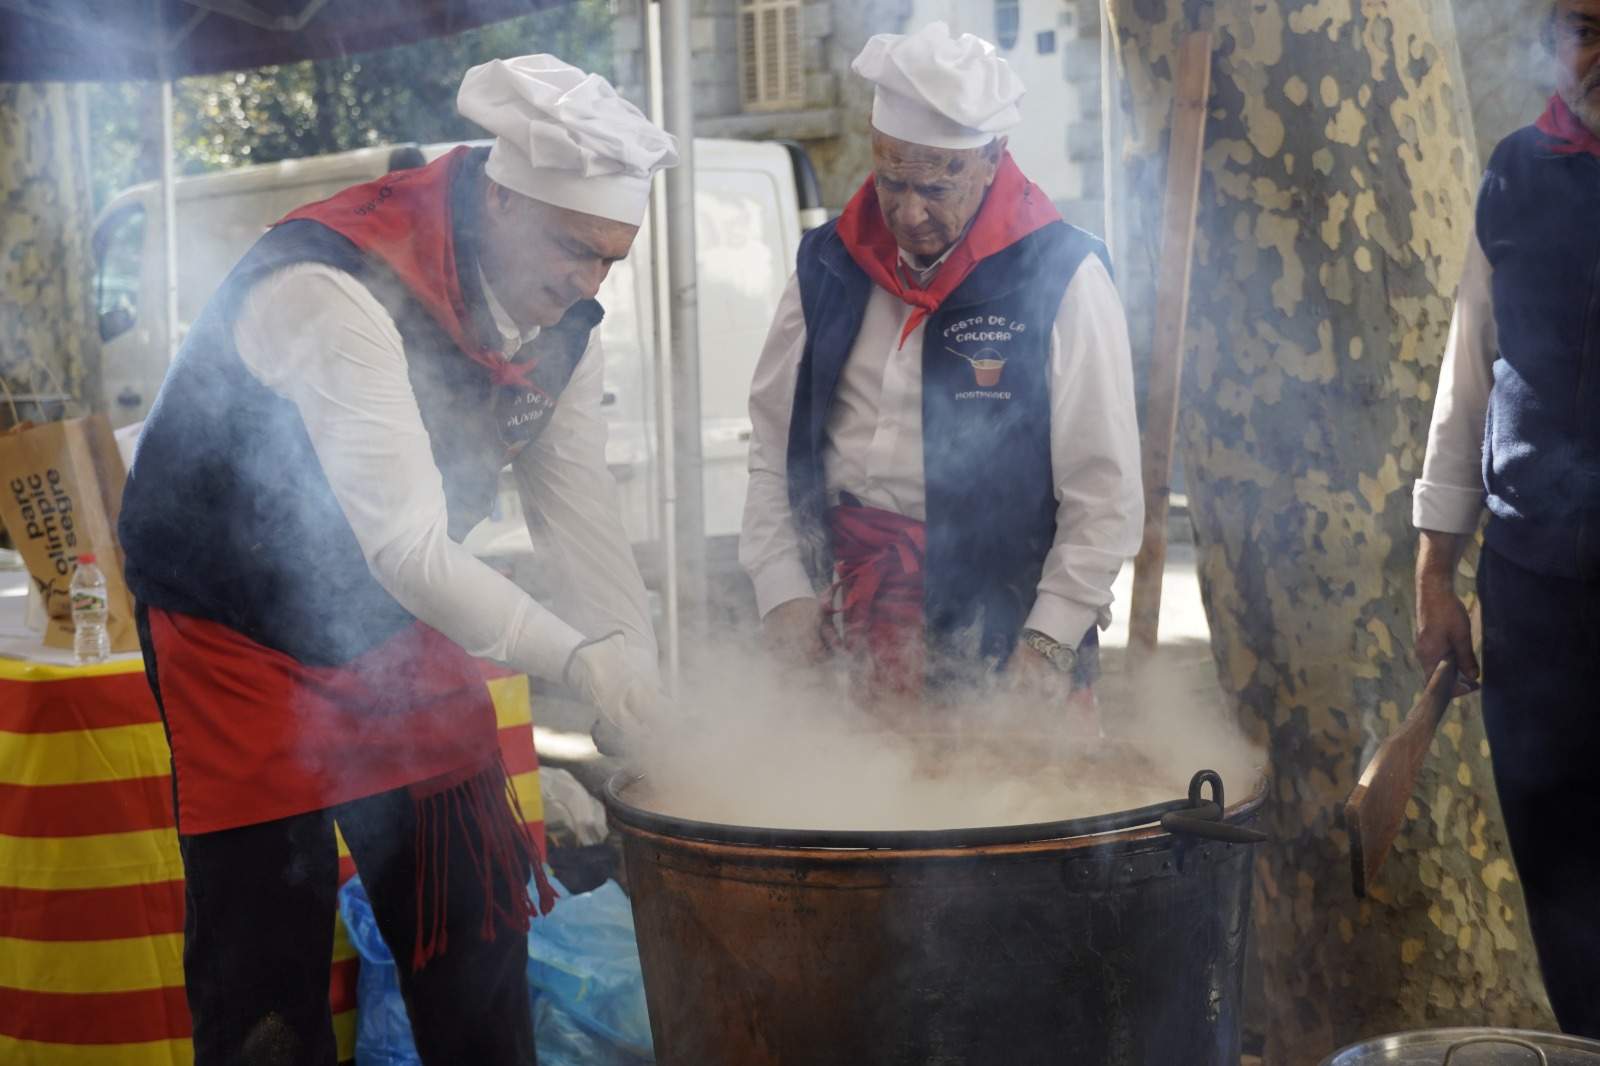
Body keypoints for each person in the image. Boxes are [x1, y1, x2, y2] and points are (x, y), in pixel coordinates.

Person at [117, 56, 673, 1065]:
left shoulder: (564, 323)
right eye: (570, 250)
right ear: (500, 198)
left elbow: (580, 516)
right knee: (265, 971)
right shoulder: (336, 284)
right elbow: (411, 549)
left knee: (472, 921)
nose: (585, 285)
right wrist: (578, 662)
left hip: (387, 622)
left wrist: (632, 670)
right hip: (233, 625)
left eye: (610, 261)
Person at [739, 22, 1143, 708]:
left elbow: (1104, 493)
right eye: (892, 181)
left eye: (937, 185)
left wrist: (1049, 642)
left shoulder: (1060, 275)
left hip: (1011, 627)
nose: (910, 212)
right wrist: (781, 591)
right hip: (848, 616)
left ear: (993, 159)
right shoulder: (828, 266)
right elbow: (772, 450)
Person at [1413, 0, 1600, 1037]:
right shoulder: (1513, 172)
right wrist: (1435, 571)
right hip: (1530, 595)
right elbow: (1466, 379)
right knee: (1561, 890)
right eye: (1580, 25)